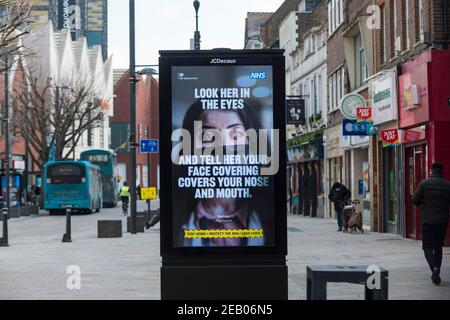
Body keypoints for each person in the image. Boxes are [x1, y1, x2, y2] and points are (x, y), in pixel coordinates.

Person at [175, 100, 270, 247]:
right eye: (208, 135)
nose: (223, 147)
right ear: (190, 147)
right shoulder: (176, 217)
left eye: (236, 134)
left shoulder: (270, 216)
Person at [413, 162, 450, 285]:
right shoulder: (447, 185)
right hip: (442, 221)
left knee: (427, 247)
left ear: (431, 171)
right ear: (442, 171)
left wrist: (422, 203)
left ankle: (434, 269)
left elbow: (415, 200)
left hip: (428, 221)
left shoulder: (424, 183)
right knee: (438, 246)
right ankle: (437, 268)